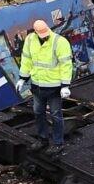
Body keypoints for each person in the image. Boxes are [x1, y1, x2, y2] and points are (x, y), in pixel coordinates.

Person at [15, 20, 73, 155]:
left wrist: (65, 86)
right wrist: (22, 78)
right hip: (37, 85)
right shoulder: (30, 40)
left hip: (54, 87)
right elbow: (26, 60)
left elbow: (66, 65)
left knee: (56, 115)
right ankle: (43, 139)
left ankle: (58, 143)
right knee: (38, 113)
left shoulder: (60, 42)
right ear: (35, 32)